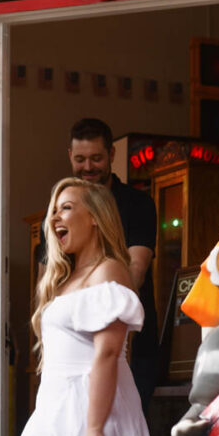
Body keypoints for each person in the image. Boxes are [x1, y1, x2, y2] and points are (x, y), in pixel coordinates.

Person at [2, 177, 166, 436]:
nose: (54, 218)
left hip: (94, 405)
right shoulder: (63, 279)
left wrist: (94, 428)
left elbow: (108, 352)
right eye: (54, 211)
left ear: (93, 217)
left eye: (66, 208)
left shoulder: (109, 270)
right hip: (54, 405)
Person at [37, 118, 159, 414]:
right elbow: (47, 280)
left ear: (111, 155)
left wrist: (97, 310)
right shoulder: (60, 214)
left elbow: (135, 270)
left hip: (130, 343)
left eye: (96, 158)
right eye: (80, 159)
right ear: (70, 156)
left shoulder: (137, 204)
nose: (88, 167)